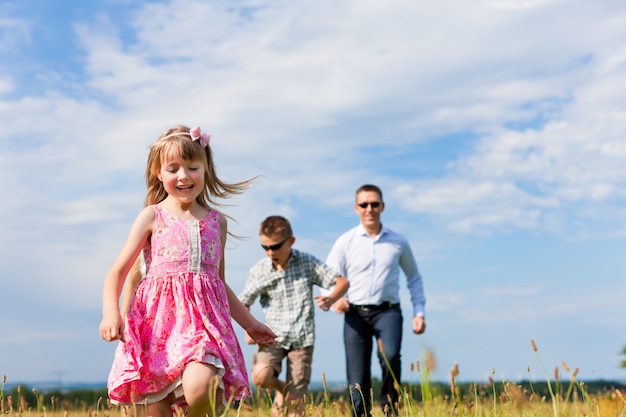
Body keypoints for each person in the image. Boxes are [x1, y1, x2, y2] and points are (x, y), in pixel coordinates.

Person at [99, 125, 277, 417]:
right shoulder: (151, 216)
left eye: (192, 167)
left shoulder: (216, 222)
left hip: (203, 326)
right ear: (159, 173)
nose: (183, 176)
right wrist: (111, 313)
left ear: (206, 169)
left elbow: (217, 282)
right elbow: (117, 272)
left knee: (201, 387)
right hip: (153, 330)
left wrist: (250, 323)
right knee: (154, 410)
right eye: (173, 169)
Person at [326, 184, 426, 417]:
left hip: (388, 312)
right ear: (356, 208)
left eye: (374, 204)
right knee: (357, 374)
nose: (369, 209)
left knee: (390, 356)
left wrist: (419, 312)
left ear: (382, 206)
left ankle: (391, 409)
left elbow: (414, 278)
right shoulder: (345, 241)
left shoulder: (398, 241)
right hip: (354, 314)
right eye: (364, 204)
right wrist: (335, 300)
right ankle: (361, 414)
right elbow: (327, 277)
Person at [238, 215, 349, 417]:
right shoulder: (259, 270)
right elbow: (243, 301)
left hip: (301, 339)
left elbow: (342, 282)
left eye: (275, 246)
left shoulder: (307, 262)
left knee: (296, 409)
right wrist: (249, 326)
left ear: (291, 241)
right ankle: (284, 389)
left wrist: (331, 299)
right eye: (265, 247)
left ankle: (290, 396)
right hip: (272, 337)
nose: (270, 252)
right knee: (260, 377)